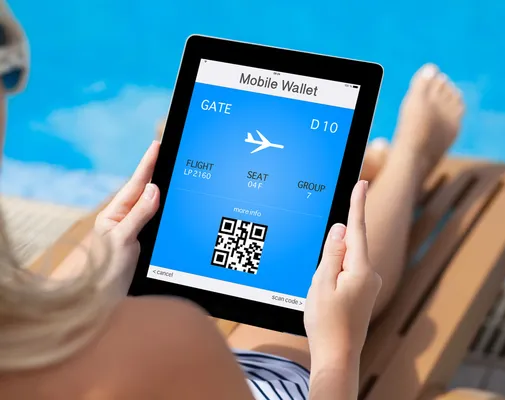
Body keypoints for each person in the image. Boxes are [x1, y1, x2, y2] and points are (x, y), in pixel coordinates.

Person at [0, 2, 465, 398]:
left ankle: (348, 172)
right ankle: (409, 158)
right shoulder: (173, 337)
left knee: (71, 283)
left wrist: (84, 297)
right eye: (9, 68)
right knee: (302, 315)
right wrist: (338, 353)